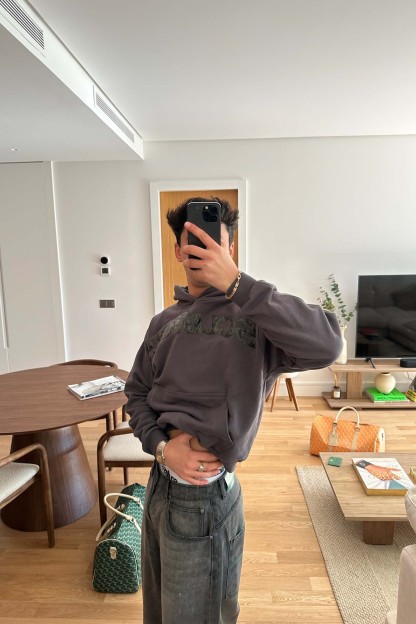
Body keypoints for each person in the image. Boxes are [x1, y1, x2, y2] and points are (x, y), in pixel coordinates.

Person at [125, 196, 342, 624]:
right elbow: (136, 393)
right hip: (158, 486)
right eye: (192, 240)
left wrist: (238, 284)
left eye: (213, 240)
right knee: (159, 614)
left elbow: (328, 345)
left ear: (230, 248)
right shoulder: (163, 322)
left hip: (204, 499)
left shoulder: (256, 317)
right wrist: (162, 448)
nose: (202, 248)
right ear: (178, 251)